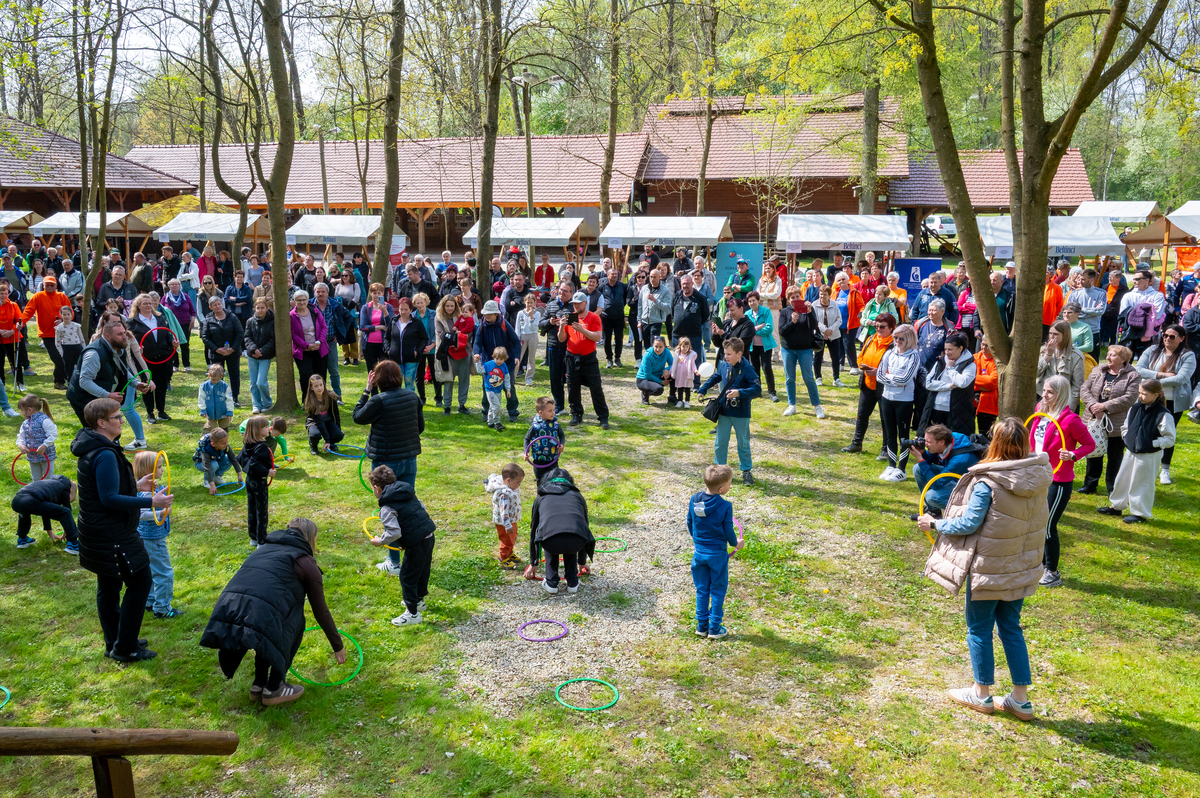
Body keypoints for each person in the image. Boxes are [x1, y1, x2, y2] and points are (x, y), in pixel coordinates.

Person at [919, 417, 1053, 721]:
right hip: (1021, 566)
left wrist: (935, 523)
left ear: (996, 444)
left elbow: (969, 523)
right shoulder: (1038, 477)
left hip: (989, 568)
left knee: (979, 628)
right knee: (1011, 627)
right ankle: (1020, 700)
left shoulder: (988, 482)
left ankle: (981, 694)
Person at [202, 518, 345, 706]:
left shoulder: (264, 549)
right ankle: (275, 687)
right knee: (292, 621)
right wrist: (338, 646)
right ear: (311, 538)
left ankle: (259, 685)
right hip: (256, 610)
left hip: (233, 607)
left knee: (268, 623)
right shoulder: (305, 562)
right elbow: (321, 611)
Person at [71, 397, 173, 661]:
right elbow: (109, 499)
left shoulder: (95, 445)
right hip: (111, 533)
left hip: (97, 531)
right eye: (117, 417)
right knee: (140, 582)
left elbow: (104, 489)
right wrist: (151, 501)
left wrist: (136, 486)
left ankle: (115, 642)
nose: (122, 420)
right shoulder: (104, 454)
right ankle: (125, 647)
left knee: (109, 586)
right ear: (102, 423)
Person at [1029, 375, 1095, 588]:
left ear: (1061, 394)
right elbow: (1035, 442)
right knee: (1036, 522)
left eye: (1050, 392)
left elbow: (1090, 444)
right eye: (1044, 390)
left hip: (1058, 480)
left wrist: (1073, 455)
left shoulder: (1070, 420)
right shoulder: (1040, 412)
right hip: (1038, 476)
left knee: (1048, 525)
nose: (1045, 395)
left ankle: (1052, 572)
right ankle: (1038, 564)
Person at [367, 466, 437, 623]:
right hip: (429, 535)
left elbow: (394, 532)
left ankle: (412, 614)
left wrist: (380, 541)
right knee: (422, 571)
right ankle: (418, 601)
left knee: (407, 577)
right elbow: (421, 507)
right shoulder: (406, 492)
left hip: (416, 543)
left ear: (377, 488)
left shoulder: (387, 507)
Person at [1100, 379, 1176, 523]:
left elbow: (1170, 438)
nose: (1140, 396)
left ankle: (1140, 513)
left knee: (1142, 482)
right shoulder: (1135, 408)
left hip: (1149, 454)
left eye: (1144, 394)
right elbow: (1126, 426)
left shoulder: (1163, 415)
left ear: (1155, 395)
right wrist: (1127, 437)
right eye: (1139, 393)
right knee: (1122, 478)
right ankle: (1117, 505)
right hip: (1131, 450)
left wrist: (1151, 443)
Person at [1135, 324, 1194, 485]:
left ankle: (1165, 469)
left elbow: (1181, 379)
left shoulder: (1187, 355)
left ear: (1181, 338)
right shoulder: (1153, 350)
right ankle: (1145, 466)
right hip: (1150, 399)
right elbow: (1139, 369)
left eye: (1172, 336)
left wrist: (1152, 382)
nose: (1167, 339)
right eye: (1165, 335)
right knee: (1146, 431)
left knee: (1167, 434)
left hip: (1173, 402)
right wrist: (1162, 375)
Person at [1078, 345, 1140, 496]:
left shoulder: (1133, 376)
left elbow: (1129, 398)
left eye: (1113, 355)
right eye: (1108, 354)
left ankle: (1113, 487)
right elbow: (1084, 389)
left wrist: (1104, 406)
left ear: (1123, 359)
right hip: (1094, 419)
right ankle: (1090, 485)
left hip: (1116, 423)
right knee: (1094, 452)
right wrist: (1093, 406)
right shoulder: (1097, 370)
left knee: (1115, 456)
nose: (1108, 357)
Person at [698, 338, 762, 485]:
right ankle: (719, 471)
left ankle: (746, 471)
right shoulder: (724, 365)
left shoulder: (747, 368)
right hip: (724, 411)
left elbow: (757, 389)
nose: (725, 357)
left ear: (739, 354)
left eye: (728, 354)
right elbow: (716, 376)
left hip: (741, 413)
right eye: (725, 354)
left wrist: (739, 392)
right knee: (720, 442)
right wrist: (703, 389)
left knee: (743, 443)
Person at [66, 316, 150, 428]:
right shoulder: (94, 354)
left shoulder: (118, 348)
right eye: (119, 334)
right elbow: (85, 381)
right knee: (98, 431)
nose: (124, 337)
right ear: (107, 336)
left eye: (124, 333)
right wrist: (108, 395)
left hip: (102, 397)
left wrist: (136, 384)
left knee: (112, 430)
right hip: (84, 399)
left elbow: (123, 369)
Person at [688, 464, 738, 641]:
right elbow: (728, 530)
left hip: (699, 553)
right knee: (717, 589)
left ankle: (701, 625)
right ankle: (715, 628)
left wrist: (697, 539)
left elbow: (690, 522)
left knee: (702, 589)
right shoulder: (725, 506)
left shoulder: (695, 500)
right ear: (722, 489)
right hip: (717, 555)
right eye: (730, 483)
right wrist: (736, 543)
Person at [354, 359, 424, 487]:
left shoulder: (378, 401)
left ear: (378, 379)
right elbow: (420, 427)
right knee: (406, 496)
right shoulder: (413, 397)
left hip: (386, 461)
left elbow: (358, 417)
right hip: (409, 458)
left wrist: (366, 391)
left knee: (386, 496)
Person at [527, 467, 595, 593]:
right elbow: (583, 528)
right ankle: (573, 583)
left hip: (551, 542)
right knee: (570, 533)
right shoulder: (577, 495)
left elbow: (533, 531)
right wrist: (582, 561)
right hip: (576, 542)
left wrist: (533, 563)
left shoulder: (541, 497)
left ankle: (551, 583)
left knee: (551, 533)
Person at [131, 450, 181, 619]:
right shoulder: (146, 493)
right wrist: (162, 512)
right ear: (148, 471)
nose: (162, 470)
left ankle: (150, 600)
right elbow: (141, 514)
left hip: (146, 537)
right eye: (159, 467)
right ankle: (162, 608)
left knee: (151, 569)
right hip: (153, 538)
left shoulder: (147, 488)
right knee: (164, 572)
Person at [841, 313, 896, 455]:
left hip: (884, 386)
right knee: (862, 415)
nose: (878, 329)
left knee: (885, 419)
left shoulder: (895, 344)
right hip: (867, 384)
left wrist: (878, 372)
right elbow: (861, 356)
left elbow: (896, 368)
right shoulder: (871, 339)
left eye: (882, 327)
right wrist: (862, 366)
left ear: (891, 328)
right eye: (877, 326)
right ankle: (856, 443)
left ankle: (886, 449)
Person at [876, 323, 921, 481]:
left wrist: (889, 377)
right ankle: (891, 465)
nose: (897, 341)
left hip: (904, 400)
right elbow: (879, 375)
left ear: (909, 339)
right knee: (890, 433)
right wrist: (892, 379)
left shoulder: (914, 355)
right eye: (895, 337)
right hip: (887, 397)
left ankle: (901, 469)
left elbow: (906, 379)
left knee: (903, 435)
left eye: (901, 338)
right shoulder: (889, 353)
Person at [558, 290, 609, 428]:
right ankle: (576, 413)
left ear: (585, 303)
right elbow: (562, 339)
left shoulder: (593, 317)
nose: (576, 306)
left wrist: (583, 330)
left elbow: (598, 337)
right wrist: (562, 327)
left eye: (579, 304)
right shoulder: (570, 317)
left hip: (589, 358)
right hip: (571, 356)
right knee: (572, 386)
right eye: (574, 304)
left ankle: (603, 416)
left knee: (595, 387)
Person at [910, 424, 984, 516]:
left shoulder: (960, 460)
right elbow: (930, 459)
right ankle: (933, 511)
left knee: (931, 496)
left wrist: (921, 459)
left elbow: (935, 484)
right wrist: (923, 453)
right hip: (956, 478)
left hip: (969, 488)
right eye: (925, 440)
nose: (925, 444)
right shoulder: (948, 440)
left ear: (941, 442)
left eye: (928, 442)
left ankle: (965, 512)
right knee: (918, 468)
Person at [775, 285, 825, 419]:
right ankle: (791, 405)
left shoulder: (808, 309)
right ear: (788, 299)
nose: (795, 299)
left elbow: (814, 327)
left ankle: (817, 406)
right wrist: (793, 321)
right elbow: (782, 331)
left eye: (797, 296)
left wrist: (809, 313)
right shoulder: (785, 311)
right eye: (792, 297)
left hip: (805, 348)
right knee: (790, 378)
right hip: (788, 349)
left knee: (808, 377)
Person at [19, 275, 73, 389]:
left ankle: (59, 382)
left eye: (51, 285)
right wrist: (21, 323)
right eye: (47, 285)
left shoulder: (62, 296)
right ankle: (69, 381)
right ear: (43, 285)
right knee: (57, 359)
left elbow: (70, 313)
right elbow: (28, 311)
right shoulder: (38, 296)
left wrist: (63, 320)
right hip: (47, 334)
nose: (49, 287)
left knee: (64, 358)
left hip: (63, 332)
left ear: (56, 285)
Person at [919, 331, 977, 436]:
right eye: (945, 349)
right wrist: (948, 386)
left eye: (950, 349)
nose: (947, 352)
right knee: (935, 440)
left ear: (960, 348)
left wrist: (950, 368)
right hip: (936, 408)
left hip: (958, 411)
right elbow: (928, 383)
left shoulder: (970, 365)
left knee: (954, 441)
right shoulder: (941, 361)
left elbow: (962, 382)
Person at [11, 473, 79, 553]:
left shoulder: (50, 485)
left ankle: (22, 539)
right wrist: (68, 532)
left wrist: (50, 532)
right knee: (65, 512)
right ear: (71, 491)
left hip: (17, 500)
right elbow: (67, 509)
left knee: (24, 511)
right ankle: (73, 545)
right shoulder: (65, 487)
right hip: (31, 499)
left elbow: (45, 511)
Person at [238, 415, 277, 549]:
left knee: (252, 508)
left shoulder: (248, 445)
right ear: (257, 430)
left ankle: (253, 537)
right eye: (265, 427)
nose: (269, 428)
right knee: (261, 510)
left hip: (249, 480)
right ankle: (261, 540)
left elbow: (240, 459)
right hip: (259, 482)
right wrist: (267, 472)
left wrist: (248, 471)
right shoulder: (261, 447)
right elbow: (254, 464)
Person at [1036, 320, 1086, 412]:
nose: (1052, 337)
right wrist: (1048, 355)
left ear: (1065, 335)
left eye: (1056, 334)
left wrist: (1070, 409)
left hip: (1064, 401)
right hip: (1044, 399)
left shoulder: (1076, 356)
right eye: (1050, 333)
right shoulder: (1043, 350)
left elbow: (1077, 386)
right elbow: (1035, 373)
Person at [203, 296, 244, 406]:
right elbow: (205, 337)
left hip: (232, 352)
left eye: (219, 304)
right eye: (215, 305)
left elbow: (240, 333)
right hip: (216, 353)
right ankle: (218, 397)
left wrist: (233, 348)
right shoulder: (208, 319)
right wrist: (217, 349)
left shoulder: (232, 317)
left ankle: (234, 398)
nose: (218, 306)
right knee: (217, 375)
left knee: (234, 375)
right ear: (211, 307)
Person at [289, 290, 327, 403]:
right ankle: (307, 401)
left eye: (304, 300)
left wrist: (319, 342)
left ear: (307, 300)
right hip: (302, 351)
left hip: (319, 349)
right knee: (306, 375)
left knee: (320, 375)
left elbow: (324, 327)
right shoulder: (292, 315)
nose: (301, 302)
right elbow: (293, 334)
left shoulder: (314, 310)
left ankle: (321, 401)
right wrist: (307, 345)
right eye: (299, 300)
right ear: (294, 301)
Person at [486, 462, 525, 568]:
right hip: (504, 523)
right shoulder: (504, 495)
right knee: (506, 540)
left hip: (511, 520)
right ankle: (503, 559)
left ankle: (509, 553)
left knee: (512, 538)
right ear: (508, 480)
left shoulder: (511, 489)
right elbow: (504, 512)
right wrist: (507, 525)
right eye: (517, 482)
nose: (519, 485)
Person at [243, 298, 276, 414]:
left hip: (264, 356)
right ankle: (256, 404)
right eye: (258, 308)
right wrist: (253, 349)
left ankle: (267, 403)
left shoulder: (272, 321)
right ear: (254, 309)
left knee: (261, 382)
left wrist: (261, 351)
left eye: (262, 308)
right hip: (252, 356)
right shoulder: (250, 321)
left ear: (267, 308)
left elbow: (272, 340)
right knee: (253, 383)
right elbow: (247, 337)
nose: (260, 310)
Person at [16, 392, 58, 481]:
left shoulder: (44, 420)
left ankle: (49, 490)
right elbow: (21, 436)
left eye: (22, 410)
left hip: (46, 456)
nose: (21, 412)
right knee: (36, 479)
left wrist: (44, 445)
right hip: (32, 457)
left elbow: (53, 434)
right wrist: (21, 445)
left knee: (48, 479)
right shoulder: (25, 423)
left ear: (29, 409)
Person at [193, 427, 243, 495]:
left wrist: (239, 474)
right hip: (201, 463)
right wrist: (212, 484)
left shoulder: (225, 445)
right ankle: (206, 481)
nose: (226, 444)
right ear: (213, 444)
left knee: (228, 459)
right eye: (223, 443)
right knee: (213, 465)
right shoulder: (206, 449)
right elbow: (207, 467)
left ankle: (217, 476)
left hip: (216, 459)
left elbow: (233, 458)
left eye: (227, 442)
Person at [812, 285, 844, 387]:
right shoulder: (814, 305)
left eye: (825, 294)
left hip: (834, 335)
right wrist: (824, 330)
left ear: (829, 295)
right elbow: (814, 320)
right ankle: (818, 377)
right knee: (818, 357)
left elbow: (839, 320)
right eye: (821, 294)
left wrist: (831, 330)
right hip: (819, 335)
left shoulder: (835, 305)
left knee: (835, 357)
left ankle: (836, 378)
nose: (822, 296)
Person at [599, 267, 631, 368]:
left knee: (619, 338)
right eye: (612, 274)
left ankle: (617, 358)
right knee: (607, 339)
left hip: (619, 316)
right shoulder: (602, 287)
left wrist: (620, 306)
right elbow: (599, 299)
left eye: (616, 274)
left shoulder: (622, 286)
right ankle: (609, 359)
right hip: (606, 317)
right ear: (607, 275)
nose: (614, 276)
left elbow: (625, 298)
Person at [304, 375, 344, 453]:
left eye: (321, 385)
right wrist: (327, 439)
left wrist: (338, 428)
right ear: (311, 388)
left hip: (328, 420)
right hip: (314, 422)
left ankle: (332, 444)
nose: (319, 388)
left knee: (338, 435)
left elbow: (336, 414)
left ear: (324, 384)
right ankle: (313, 446)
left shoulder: (331, 396)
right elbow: (319, 421)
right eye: (316, 386)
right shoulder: (310, 401)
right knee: (315, 434)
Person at [359, 283, 393, 372]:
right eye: (374, 293)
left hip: (384, 344)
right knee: (372, 370)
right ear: (370, 293)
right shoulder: (366, 307)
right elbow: (363, 327)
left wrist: (385, 311)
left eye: (379, 293)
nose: (376, 295)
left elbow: (391, 326)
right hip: (369, 344)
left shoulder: (388, 307)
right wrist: (380, 327)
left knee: (384, 371)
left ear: (383, 293)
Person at [481, 345, 513, 431]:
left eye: (501, 359)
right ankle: (497, 422)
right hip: (490, 390)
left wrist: (508, 389)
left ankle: (490, 422)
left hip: (498, 389)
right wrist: (477, 362)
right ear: (494, 357)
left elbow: (507, 378)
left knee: (493, 406)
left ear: (505, 359)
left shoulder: (504, 366)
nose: (499, 361)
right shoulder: (488, 365)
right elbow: (479, 370)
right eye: (497, 359)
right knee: (496, 406)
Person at [973, 332, 999, 436]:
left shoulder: (997, 362)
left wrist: (974, 382)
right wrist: (980, 386)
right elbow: (967, 379)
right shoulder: (974, 358)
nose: (984, 348)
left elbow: (993, 381)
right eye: (983, 344)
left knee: (986, 436)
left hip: (989, 405)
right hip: (973, 402)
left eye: (987, 345)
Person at [636, 335, 674, 405]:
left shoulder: (666, 352)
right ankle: (645, 393)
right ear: (653, 345)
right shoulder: (648, 355)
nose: (658, 349)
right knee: (658, 390)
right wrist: (661, 382)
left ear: (664, 346)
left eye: (660, 347)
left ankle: (672, 397)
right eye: (656, 346)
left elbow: (673, 364)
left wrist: (666, 369)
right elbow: (648, 375)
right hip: (644, 379)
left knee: (674, 375)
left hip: (658, 375)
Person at [198, 363, 234, 432]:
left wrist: (229, 411)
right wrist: (203, 409)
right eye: (213, 379)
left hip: (223, 412)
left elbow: (229, 400)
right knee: (209, 427)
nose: (216, 381)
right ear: (209, 375)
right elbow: (201, 399)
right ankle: (205, 438)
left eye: (218, 380)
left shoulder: (225, 387)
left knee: (224, 427)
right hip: (210, 412)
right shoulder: (204, 387)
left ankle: (224, 438)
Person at [516, 294, 542, 386]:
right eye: (528, 302)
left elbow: (533, 327)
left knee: (531, 357)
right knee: (518, 356)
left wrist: (531, 317)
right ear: (525, 302)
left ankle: (529, 378)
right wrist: (517, 338)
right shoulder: (520, 313)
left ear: (534, 303)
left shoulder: (537, 314)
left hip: (533, 335)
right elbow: (517, 326)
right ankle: (513, 376)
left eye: (531, 302)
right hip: (523, 336)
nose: (529, 304)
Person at [1100, 269, 1129, 346]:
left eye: (1112, 277)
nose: (1109, 279)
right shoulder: (1105, 286)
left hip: (1115, 313)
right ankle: (1100, 342)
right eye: (1109, 277)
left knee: (1113, 331)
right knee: (1101, 328)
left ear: (1118, 278)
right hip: (1104, 312)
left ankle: (1113, 344)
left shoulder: (1124, 289)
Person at [669, 337, 699, 408]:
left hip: (687, 375)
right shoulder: (677, 354)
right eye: (683, 346)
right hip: (680, 375)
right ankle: (680, 401)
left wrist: (695, 370)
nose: (685, 348)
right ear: (680, 346)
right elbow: (674, 364)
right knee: (680, 388)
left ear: (689, 347)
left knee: (687, 389)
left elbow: (693, 365)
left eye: (687, 347)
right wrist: (671, 372)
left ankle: (687, 401)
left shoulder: (690, 355)